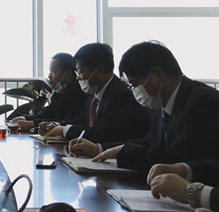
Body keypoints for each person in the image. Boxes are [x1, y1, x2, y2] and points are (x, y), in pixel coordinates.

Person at [81, 42, 219, 172]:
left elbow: (174, 157)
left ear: (158, 74)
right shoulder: (160, 103)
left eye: (135, 84)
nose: (134, 90)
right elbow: (150, 143)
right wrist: (101, 149)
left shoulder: (202, 101)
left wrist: (123, 152)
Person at [42, 43, 150, 143]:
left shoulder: (121, 96)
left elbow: (103, 133)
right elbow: (81, 120)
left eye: (80, 72)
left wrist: (64, 130)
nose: (78, 77)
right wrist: (56, 125)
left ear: (99, 70)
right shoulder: (94, 94)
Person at [9, 53, 88, 131]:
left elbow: (65, 121)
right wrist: (26, 118)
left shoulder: (80, 93)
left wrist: (32, 124)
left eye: (53, 72)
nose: (49, 76)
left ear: (67, 74)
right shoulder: (59, 93)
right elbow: (47, 114)